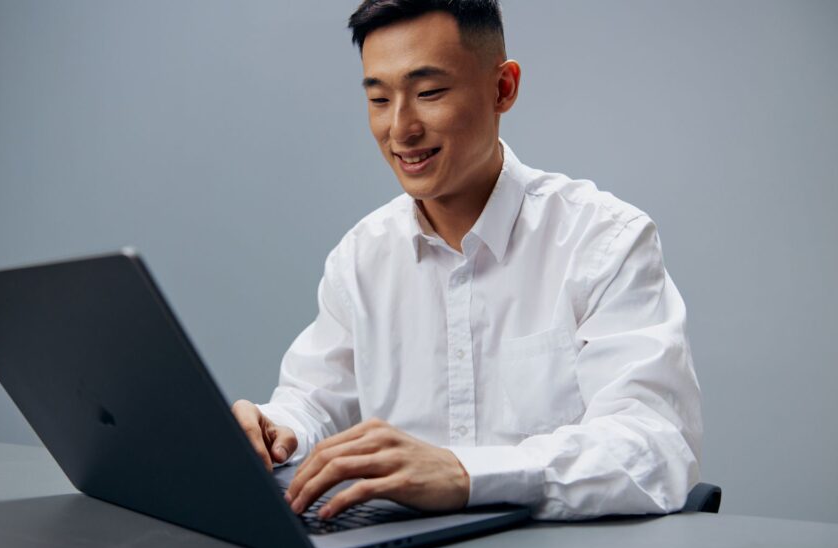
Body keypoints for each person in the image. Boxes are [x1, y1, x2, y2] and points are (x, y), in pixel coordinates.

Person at [232, 0, 702, 521]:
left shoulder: (604, 241)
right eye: (379, 98)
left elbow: (655, 447)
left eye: (429, 93)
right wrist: (273, 429)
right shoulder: (361, 257)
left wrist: (464, 474)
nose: (400, 129)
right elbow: (313, 401)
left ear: (503, 88)